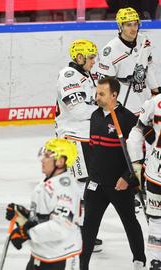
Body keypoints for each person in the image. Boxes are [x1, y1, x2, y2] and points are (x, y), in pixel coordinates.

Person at [81, 76, 145, 270]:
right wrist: (90, 176)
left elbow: (139, 154)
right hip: (95, 184)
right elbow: (93, 149)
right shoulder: (95, 116)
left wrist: (127, 177)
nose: (97, 97)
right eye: (97, 92)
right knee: (89, 227)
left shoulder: (128, 119)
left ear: (114, 95)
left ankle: (139, 260)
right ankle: (82, 266)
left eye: (101, 94)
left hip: (119, 185)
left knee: (130, 223)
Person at [55, 39, 104, 252]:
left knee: (87, 184)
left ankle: (81, 230)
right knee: (81, 184)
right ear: (79, 57)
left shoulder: (86, 75)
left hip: (85, 136)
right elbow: (77, 111)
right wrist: (105, 110)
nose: (94, 61)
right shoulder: (68, 76)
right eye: (91, 57)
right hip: (73, 137)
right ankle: (79, 233)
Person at [5, 138, 82, 270]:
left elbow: (60, 227)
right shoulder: (49, 182)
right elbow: (45, 218)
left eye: (47, 156)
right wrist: (24, 215)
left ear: (60, 161)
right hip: (41, 255)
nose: (42, 159)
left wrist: (27, 232)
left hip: (60, 258)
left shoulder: (65, 189)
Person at [96, 7, 158, 116]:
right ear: (120, 27)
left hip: (146, 104)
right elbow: (104, 84)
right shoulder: (110, 50)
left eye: (135, 24)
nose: (133, 29)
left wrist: (155, 91)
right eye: (128, 25)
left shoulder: (143, 40)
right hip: (124, 108)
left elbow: (148, 68)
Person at [127, 95, 161, 270]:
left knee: (155, 219)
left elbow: (138, 131)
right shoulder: (154, 102)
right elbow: (140, 131)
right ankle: (156, 260)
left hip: (155, 171)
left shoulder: (154, 102)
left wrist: (136, 161)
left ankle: (156, 261)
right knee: (155, 218)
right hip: (155, 173)